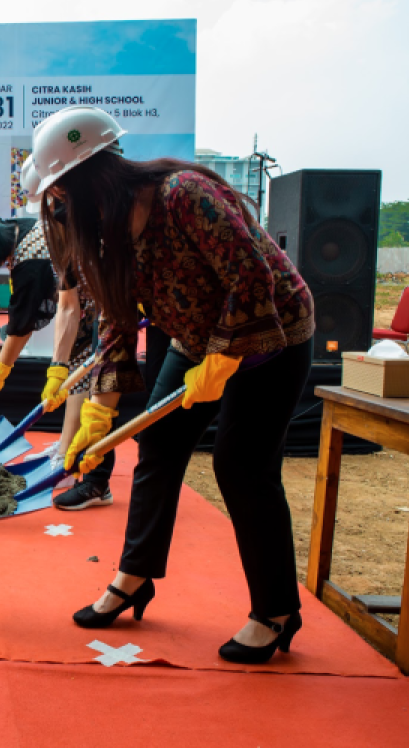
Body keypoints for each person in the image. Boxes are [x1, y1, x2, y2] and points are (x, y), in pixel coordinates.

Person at [34, 106, 314, 664]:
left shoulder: (185, 194)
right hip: (194, 337)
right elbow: (116, 324)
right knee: (157, 448)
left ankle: (276, 610)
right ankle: (135, 576)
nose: (62, 210)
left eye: (62, 196)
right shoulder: (108, 231)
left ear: (89, 180)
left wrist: (222, 359)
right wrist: (98, 418)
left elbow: (251, 276)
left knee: (241, 465)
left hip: (271, 332)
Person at [0, 158, 116, 510]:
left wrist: (1, 370)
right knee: (74, 369)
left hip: (99, 295)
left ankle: (76, 463)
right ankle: (67, 446)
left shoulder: (29, 261)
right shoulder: (19, 228)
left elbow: (21, 327)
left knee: (84, 372)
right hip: (83, 297)